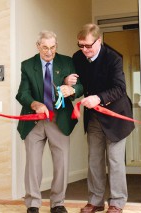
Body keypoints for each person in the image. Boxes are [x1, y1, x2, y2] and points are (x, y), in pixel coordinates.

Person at [70, 23, 135, 213]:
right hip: (93, 118)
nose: (84, 50)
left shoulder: (113, 58)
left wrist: (98, 98)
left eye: (88, 46)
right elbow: (79, 83)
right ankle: (95, 201)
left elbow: (120, 88)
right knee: (94, 160)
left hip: (116, 117)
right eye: (80, 45)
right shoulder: (78, 58)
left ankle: (117, 202)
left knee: (114, 161)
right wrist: (69, 82)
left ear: (99, 41)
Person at [16, 30, 83, 213]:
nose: (49, 52)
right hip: (34, 121)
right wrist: (35, 104)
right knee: (33, 164)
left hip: (59, 120)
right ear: (38, 46)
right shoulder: (28, 65)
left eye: (52, 47)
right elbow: (22, 93)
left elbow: (80, 85)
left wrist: (72, 90)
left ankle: (58, 203)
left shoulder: (67, 62)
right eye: (45, 47)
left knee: (62, 163)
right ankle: (33, 204)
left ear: (56, 46)